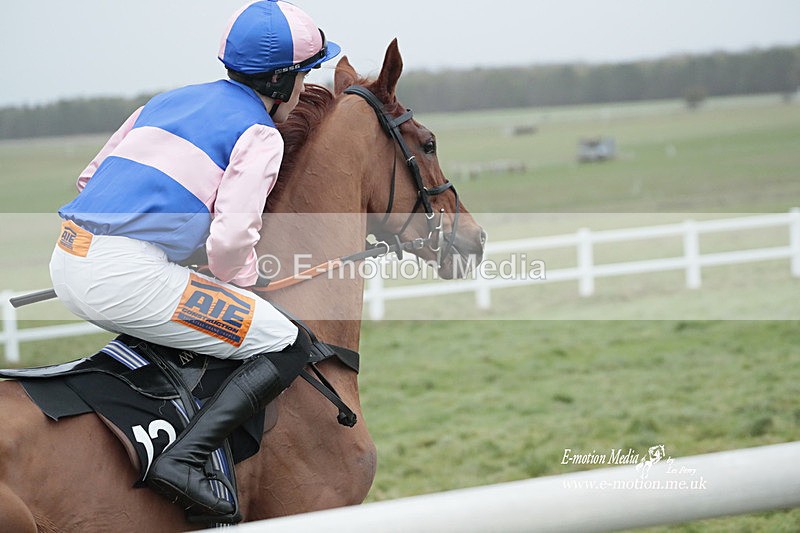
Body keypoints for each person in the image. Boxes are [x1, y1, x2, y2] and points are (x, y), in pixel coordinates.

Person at [49, 0, 341, 517]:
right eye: (302, 76)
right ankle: (184, 461)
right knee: (287, 341)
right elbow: (230, 244)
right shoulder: (260, 133)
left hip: (70, 255)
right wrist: (241, 280)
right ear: (278, 81)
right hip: (123, 278)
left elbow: (90, 180)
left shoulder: (166, 101)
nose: (303, 89)